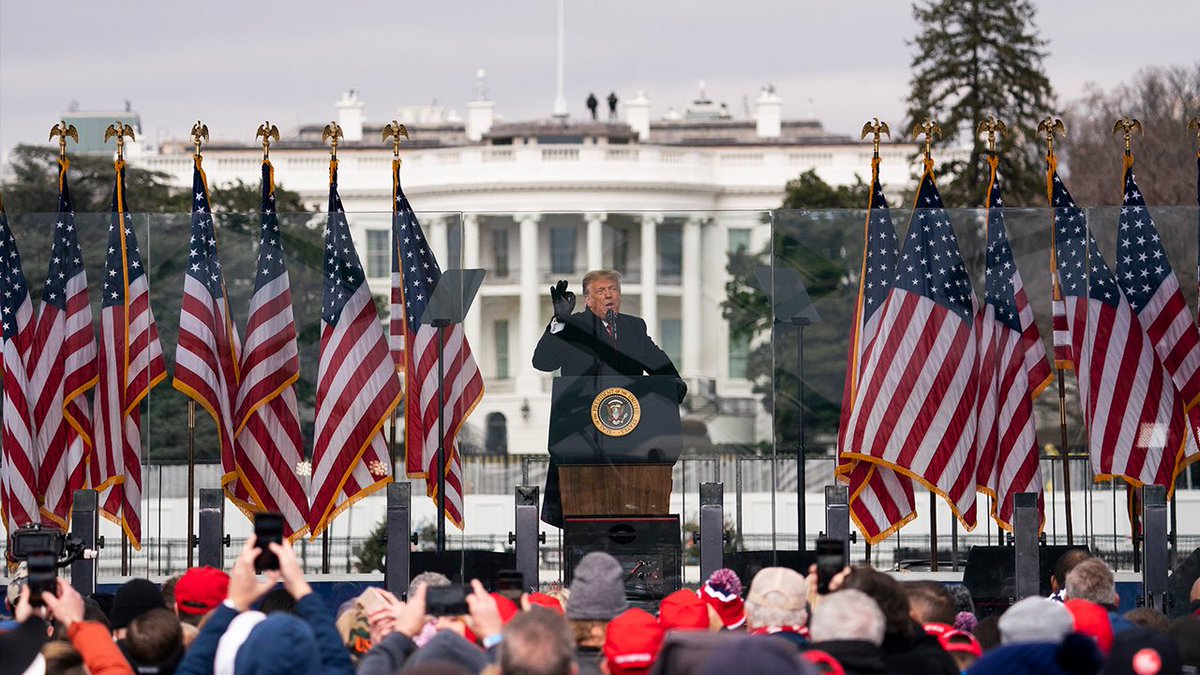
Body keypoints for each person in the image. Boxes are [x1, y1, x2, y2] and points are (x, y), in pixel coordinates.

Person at [532, 270, 687, 526]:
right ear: (588, 299)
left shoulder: (633, 327)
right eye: (601, 291)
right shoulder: (572, 326)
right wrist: (559, 321)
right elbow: (542, 363)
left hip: (630, 434)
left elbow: (654, 359)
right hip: (582, 433)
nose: (609, 296)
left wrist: (673, 383)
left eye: (613, 289)